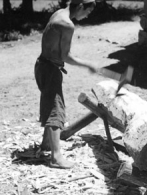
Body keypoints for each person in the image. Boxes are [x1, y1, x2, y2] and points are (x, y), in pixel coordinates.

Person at [34, 0, 98, 169]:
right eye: (88, 12)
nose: (87, 16)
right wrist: (88, 64)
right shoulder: (67, 24)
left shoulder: (58, 13)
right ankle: (56, 157)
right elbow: (65, 57)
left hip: (42, 66)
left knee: (51, 105)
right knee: (56, 109)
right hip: (50, 69)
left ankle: (46, 144)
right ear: (81, 6)